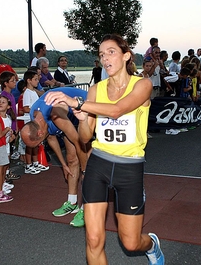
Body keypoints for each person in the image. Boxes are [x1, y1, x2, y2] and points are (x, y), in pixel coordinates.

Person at [43, 34, 164, 265]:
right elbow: (85, 138)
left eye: (110, 52)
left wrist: (76, 103)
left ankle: (152, 245)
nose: (105, 58)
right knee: (93, 238)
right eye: (101, 54)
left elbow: (117, 110)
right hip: (99, 164)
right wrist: (82, 118)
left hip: (129, 167)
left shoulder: (143, 85)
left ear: (126, 55)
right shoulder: (95, 90)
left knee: (131, 242)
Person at [20, 87, 89, 227]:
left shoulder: (55, 114)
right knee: (71, 160)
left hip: (86, 108)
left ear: (39, 134)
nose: (40, 146)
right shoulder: (35, 117)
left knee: (87, 159)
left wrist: (85, 171)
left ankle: (86, 208)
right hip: (69, 116)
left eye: (38, 144)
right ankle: (72, 202)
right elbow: (50, 138)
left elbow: (79, 142)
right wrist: (63, 165)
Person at [21, 70, 49, 174]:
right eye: (35, 79)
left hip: (35, 122)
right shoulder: (27, 93)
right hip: (29, 121)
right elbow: (25, 108)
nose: (38, 81)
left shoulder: (34, 92)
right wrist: (36, 111)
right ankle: (28, 164)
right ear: (29, 80)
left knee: (36, 142)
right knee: (29, 144)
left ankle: (35, 162)